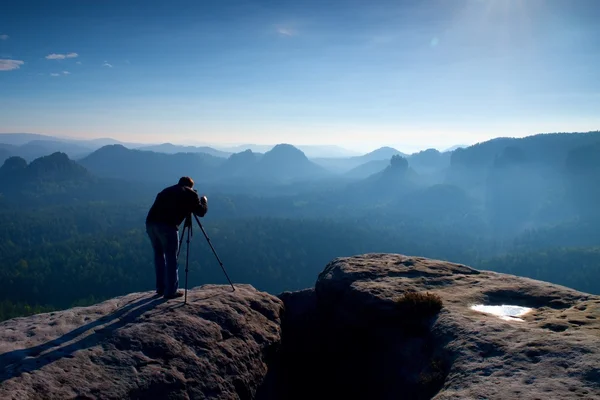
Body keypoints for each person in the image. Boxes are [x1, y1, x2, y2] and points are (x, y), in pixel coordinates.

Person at [145, 176, 208, 299]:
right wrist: (204, 201)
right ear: (191, 186)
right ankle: (171, 291)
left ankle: (161, 288)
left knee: (159, 255)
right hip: (167, 227)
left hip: (150, 224)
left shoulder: (166, 190)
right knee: (171, 257)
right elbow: (201, 212)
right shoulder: (190, 193)